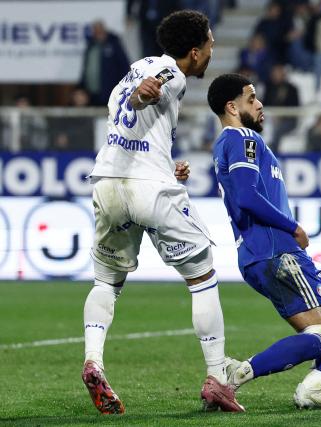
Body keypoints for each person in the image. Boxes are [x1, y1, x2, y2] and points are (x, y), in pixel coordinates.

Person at [82, 10, 243, 414]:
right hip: (147, 190)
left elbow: (130, 119)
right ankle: (218, 379)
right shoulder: (171, 73)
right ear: (194, 51)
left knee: (106, 281)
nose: (211, 52)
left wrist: (166, 164)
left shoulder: (131, 71)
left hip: (108, 180)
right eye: (209, 44)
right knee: (202, 274)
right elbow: (152, 90)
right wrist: (145, 94)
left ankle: (93, 360)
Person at [207, 73, 321, 410]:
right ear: (232, 106)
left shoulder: (233, 143)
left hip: (274, 253)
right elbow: (247, 196)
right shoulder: (241, 138)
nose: (259, 104)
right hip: (276, 252)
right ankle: (234, 376)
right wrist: (293, 226)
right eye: (251, 98)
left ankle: (315, 384)